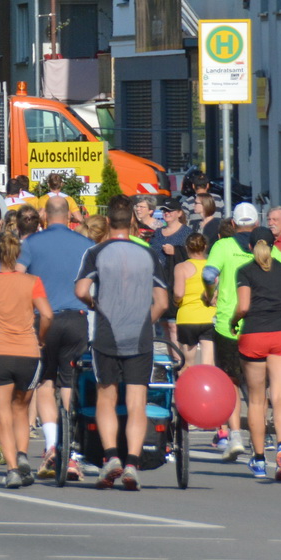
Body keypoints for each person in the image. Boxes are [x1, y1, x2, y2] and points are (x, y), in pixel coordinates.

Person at [75, 198, 168, 490]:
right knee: (137, 402)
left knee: (106, 397)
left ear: (108, 222)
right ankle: (132, 463)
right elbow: (163, 302)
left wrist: (94, 303)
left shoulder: (95, 252)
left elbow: (80, 289)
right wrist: (145, 319)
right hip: (139, 335)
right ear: (131, 222)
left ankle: (111, 457)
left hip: (107, 333)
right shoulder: (148, 254)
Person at [0, 228, 52, 488]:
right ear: (18, 254)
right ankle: (23, 454)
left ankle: (13, 468)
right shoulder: (32, 282)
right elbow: (47, 315)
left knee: (2, 414)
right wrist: (41, 337)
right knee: (21, 409)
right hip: (27, 351)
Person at [18, 195, 95, 481]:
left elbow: (18, 276)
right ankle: (71, 451)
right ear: (70, 216)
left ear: (45, 216)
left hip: (44, 320)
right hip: (76, 318)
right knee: (69, 381)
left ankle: (51, 446)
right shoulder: (86, 245)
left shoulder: (31, 243)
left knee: (44, 381)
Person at [234, 228, 281, 481]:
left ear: (250, 247)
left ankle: (260, 458)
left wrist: (233, 321)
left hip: (254, 334)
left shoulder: (245, 271)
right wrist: (280, 308)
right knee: (280, 397)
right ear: (274, 247)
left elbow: (243, 306)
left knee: (256, 400)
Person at [202, 204, 261, 458]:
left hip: (228, 323)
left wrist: (209, 294)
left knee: (231, 382)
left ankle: (235, 435)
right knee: (258, 386)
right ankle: (264, 436)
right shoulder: (263, 246)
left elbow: (208, 273)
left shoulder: (223, 245)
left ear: (234, 225)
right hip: (259, 322)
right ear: (256, 224)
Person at [173, 232, 215, 367]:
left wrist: (176, 302)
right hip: (209, 316)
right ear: (205, 247)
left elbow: (179, 293)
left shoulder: (181, 267)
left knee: (187, 362)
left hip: (188, 317)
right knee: (208, 364)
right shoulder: (212, 266)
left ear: (187, 248)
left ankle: (185, 387)